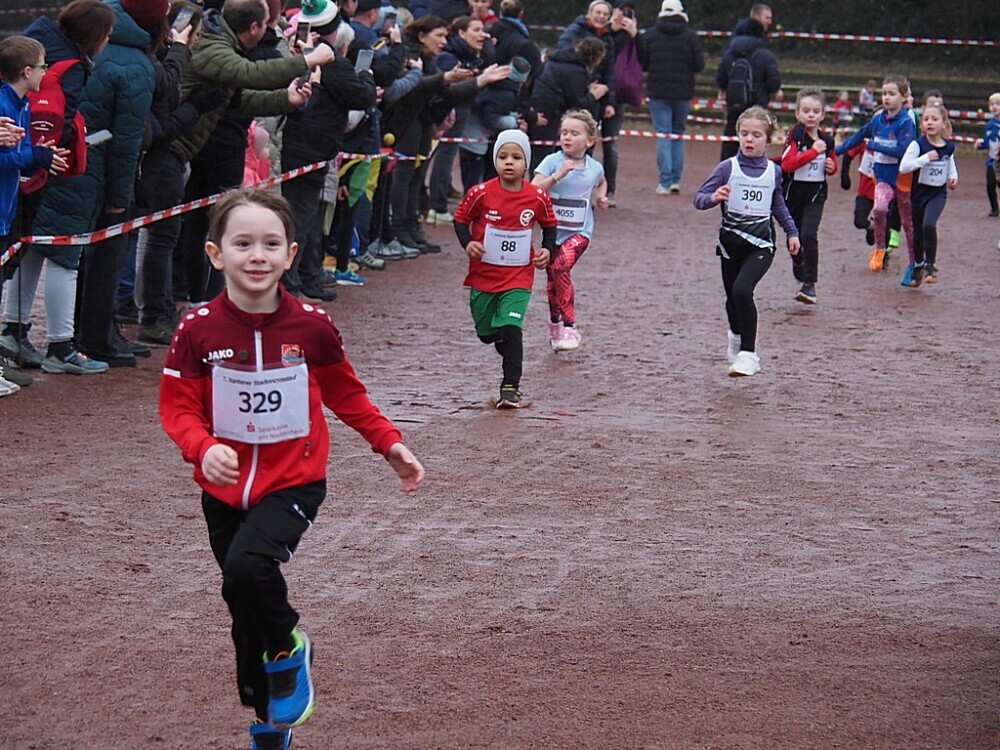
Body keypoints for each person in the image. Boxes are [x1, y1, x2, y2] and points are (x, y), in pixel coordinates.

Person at [159, 189, 425, 750]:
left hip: (294, 481)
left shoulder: (311, 326)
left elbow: (346, 393)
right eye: (243, 244)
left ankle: (289, 647)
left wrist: (389, 443)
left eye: (270, 244)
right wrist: (202, 447)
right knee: (242, 603)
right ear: (215, 254)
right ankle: (268, 722)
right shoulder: (197, 329)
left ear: (290, 254)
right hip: (223, 488)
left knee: (248, 569)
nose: (257, 255)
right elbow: (176, 406)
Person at [0, 0, 115, 374]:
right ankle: (59, 346)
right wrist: (44, 156)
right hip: (42, 177)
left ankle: (14, 334)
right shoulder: (69, 68)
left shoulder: (33, 50)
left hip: (22, 182)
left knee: (25, 251)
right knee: (60, 258)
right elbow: (53, 127)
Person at [452, 129, 557, 408]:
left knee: (511, 327)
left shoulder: (537, 197)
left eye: (516, 157)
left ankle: (510, 388)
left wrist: (547, 250)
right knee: (486, 334)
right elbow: (460, 220)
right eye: (503, 156)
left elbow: (549, 225)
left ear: (527, 163)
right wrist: (468, 244)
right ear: (495, 160)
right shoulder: (480, 193)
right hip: (483, 276)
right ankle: (500, 339)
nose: (509, 162)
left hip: (518, 277)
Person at [693, 106, 800, 378]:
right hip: (730, 244)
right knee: (732, 299)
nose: (749, 139)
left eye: (756, 135)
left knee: (743, 290)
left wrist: (792, 232)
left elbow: (778, 204)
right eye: (744, 134)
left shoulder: (774, 171)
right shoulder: (727, 168)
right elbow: (699, 199)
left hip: (762, 244)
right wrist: (714, 197)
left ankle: (749, 355)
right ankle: (735, 336)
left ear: (768, 139)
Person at [0, 35, 68, 394]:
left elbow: (18, 155)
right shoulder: (3, 104)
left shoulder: (22, 103)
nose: (46, 71)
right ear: (27, 71)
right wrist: (33, 156)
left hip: (6, 208)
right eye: (43, 66)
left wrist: (40, 155)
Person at [531, 110, 608, 351]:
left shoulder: (594, 167)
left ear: (589, 141)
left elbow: (601, 181)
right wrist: (557, 176)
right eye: (564, 132)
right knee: (552, 279)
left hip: (580, 232)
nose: (567, 137)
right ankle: (555, 325)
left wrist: (602, 196)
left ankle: (570, 326)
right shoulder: (551, 161)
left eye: (574, 133)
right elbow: (533, 189)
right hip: (552, 233)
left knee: (560, 267)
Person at [835, 75, 916, 273]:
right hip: (883, 179)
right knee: (879, 209)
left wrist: (875, 145)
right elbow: (858, 136)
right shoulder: (878, 120)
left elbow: (903, 150)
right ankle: (880, 249)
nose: (886, 97)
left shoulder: (906, 122)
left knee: (907, 223)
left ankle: (915, 262)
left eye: (892, 94)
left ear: (903, 97)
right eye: (884, 93)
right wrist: (836, 150)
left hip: (902, 181)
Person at [557, 1, 624, 206]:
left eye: (605, 14)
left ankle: (608, 191)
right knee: (579, 143)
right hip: (581, 91)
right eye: (598, 12)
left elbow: (610, 71)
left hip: (600, 94)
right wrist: (583, 79)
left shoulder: (608, 37)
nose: (601, 16)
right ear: (589, 13)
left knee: (607, 146)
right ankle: (575, 189)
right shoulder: (575, 29)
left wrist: (610, 102)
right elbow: (563, 51)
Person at [637, 0, 704, 195]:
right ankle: (676, 180)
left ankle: (664, 182)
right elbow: (699, 64)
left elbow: (644, 63)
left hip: (658, 91)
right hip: (683, 92)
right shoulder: (690, 36)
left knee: (663, 134)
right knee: (678, 134)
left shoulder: (650, 35)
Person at [779, 87, 836, 305]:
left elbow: (831, 163)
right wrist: (813, 152)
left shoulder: (827, 140)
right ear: (797, 113)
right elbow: (787, 164)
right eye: (806, 111)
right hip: (793, 195)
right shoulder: (795, 137)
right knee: (794, 235)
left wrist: (831, 166)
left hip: (815, 195)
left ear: (822, 114)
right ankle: (798, 261)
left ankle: (809, 285)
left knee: (808, 234)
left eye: (815, 111)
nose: (810, 115)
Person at [899, 102, 958, 286]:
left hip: (937, 194)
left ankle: (930, 265)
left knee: (929, 224)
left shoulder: (949, 147)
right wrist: (924, 159)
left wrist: (953, 177)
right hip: (918, 194)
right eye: (926, 119)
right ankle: (918, 266)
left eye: (934, 119)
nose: (930, 122)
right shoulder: (918, 145)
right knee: (917, 231)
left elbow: (950, 162)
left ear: (944, 123)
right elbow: (904, 167)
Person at [528, 37, 607, 171]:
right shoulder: (576, 71)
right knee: (543, 157)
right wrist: (594, 95)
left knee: (542, 155)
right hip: (549, 115)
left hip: (541, 109)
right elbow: (577, 103)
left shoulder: (558, 62)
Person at [715, 4, 781, 161]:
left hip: (734, 102)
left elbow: (720, 76)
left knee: (731, 137)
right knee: (756, 136)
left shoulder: (730, 52)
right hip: (757, 103)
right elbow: (773, 82)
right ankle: (753, 168)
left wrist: (724, 89)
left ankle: (727, 169)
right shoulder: (764, 54)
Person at [975, 92, 1000, 217]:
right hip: (992, 160)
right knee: (990, 184)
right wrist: (980, 145)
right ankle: (994, 208)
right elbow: (988, 142)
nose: (994, 107)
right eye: (992, 104)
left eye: (998, 104)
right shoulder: (990, 125)